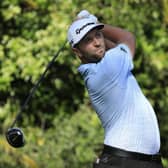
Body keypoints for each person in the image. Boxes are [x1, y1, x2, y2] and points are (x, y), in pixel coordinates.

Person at [67, 10, 163, 168]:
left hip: (139, 161)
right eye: (87, 40)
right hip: (124, 161)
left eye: (98, 35)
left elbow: (108, 49)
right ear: (77, 51)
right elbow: (127, 38)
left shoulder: (101, 67)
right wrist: (96, 23)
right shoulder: (106, 70)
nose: (97, 42)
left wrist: (90, 25)